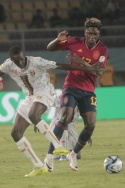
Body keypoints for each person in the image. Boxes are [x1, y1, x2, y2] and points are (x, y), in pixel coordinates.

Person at [0, 46, 103, 177]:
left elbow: (61, 65)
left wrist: (86, 68)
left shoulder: (36, 61)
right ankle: (39, 166)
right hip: (29, 98)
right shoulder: (8, 65)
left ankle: (58, 146)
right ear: (12, 61)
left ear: (24, 56)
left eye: (22, 59)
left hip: (45, 93)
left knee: (33, 114)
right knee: (15, 133)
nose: (20, 63)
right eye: (17, 61)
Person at [45, 17, 108, 171]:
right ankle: (49, 156)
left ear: (99, 34)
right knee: (65, 117)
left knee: (91, 125)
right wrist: (57, 39)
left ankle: (73, 154)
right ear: (85, 32)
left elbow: (99, 72)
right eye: (90, 33)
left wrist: (81, 62)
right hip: (71, 86)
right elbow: (50, 48)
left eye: (95, 34)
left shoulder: (103, 50)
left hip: (88, 91)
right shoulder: (74, 42)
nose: (92, 36)